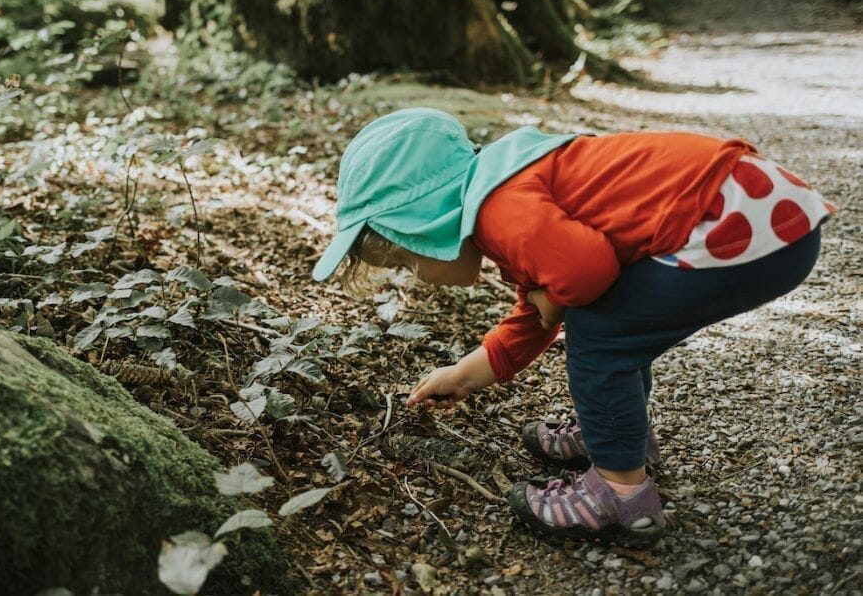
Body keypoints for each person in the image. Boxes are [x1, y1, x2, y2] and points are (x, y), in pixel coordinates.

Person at [311, 108, 835, 549]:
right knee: (612, 321)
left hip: (741, 228)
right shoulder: (502, 189)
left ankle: (620, 493)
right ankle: (616, 435)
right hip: (764, 212)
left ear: (424, 221)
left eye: (407, 260)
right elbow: (537, 312)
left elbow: (584, 276)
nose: (418, 276)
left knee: (600, 336)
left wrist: (557, 299)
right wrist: (464, 373)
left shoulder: (500, 210)